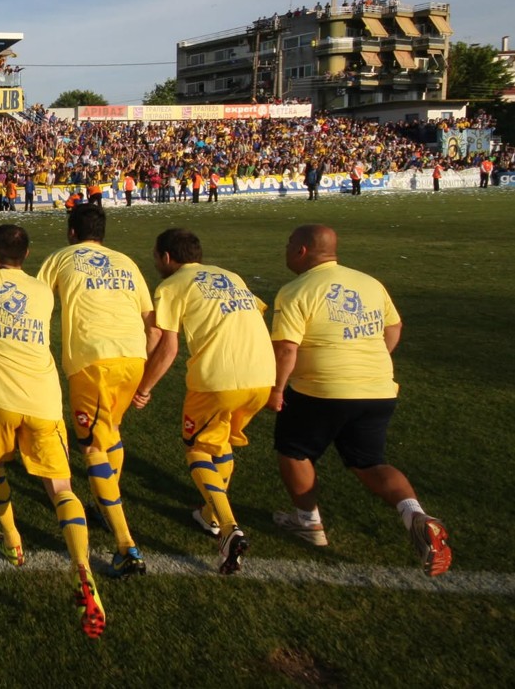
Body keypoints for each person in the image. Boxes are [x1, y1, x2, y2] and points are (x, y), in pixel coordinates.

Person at [0, 224, 105, 637]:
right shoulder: (42, 292)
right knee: (61, 487)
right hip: (43, 399)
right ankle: (83, 567)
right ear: (28, 255)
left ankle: (13, 541)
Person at [268, 225, 451, 576]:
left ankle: (308, 522)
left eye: (289, 243)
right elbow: (394, 328)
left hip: (321, 390)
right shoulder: (370, 283)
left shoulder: (295, 291)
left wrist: (277, 390)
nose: (286, 249)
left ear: (302, 251)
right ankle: (415, 514)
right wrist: (370, 361)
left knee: (294, 450)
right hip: (377, 388)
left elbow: (287, 348)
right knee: (370, 462)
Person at [132, 228, 273, 575]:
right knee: (219, 442)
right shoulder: (231, 276)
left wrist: (144, 388)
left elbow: (168, 346)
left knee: (197, 449)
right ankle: (210, 515)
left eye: (155, 256)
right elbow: (254, 314)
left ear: (167, 257)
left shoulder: (171, 286)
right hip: (262, 376)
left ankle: (228, 528)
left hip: (218, 380)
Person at [35, 204, 156, 577]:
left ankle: (125, 543)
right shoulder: (125, 262)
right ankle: (108, 504)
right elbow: (152, 322)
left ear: (72, 232)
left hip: (93, 361)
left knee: (91, 447)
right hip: (134, 357)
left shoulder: (60, 258)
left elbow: (35, 303)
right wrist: (144, 363)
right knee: (110, 431)